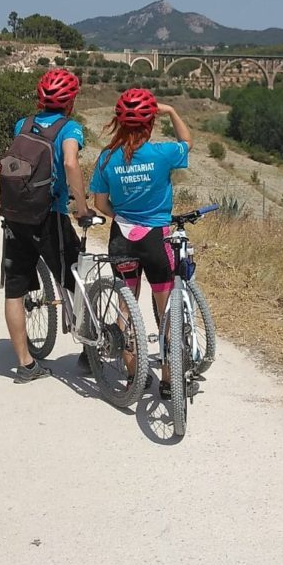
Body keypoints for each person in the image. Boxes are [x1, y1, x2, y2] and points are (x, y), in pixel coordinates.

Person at [89, 88, 192, 396]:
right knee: (166, 312)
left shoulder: (107, 158)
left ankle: (133, 375)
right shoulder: (162, 154)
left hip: (122, 236)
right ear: (149, 124)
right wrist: (172, 110)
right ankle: (167, 381)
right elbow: (188, 143)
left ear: (118, 123)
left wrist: (121, 213)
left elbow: (100, 204)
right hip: (156, 238)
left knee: (126, 307)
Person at [2, 68, 90, 383]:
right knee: (77, 277)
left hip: (15, 215)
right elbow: (69, 163)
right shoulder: (71, 128)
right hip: (49, 214)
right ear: (71, 101)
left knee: (15, 288)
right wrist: (81, 208)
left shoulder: (22, 124)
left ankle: (25, 365)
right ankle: (89, 354)